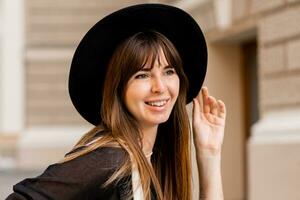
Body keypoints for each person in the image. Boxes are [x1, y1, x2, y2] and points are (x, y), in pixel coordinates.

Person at [6, 3, 226, 200]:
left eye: (169, 71)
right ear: (118, 88)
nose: (160, 86)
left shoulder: (154, 158)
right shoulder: (111, 160)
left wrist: (209, 154)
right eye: (142, 75)